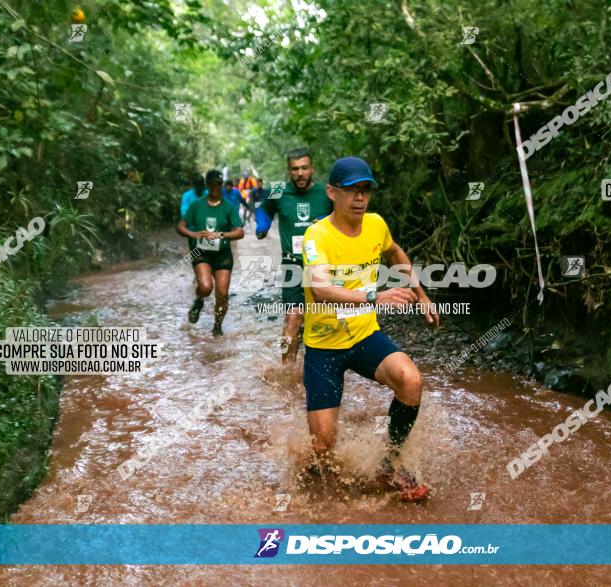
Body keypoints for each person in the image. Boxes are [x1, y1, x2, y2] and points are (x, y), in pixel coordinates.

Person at [301, 156, 440, 501]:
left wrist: (422, 295)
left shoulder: (376, 224)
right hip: (324, 347)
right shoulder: (316, 236)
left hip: (364, 336)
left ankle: (388, 464)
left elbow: (395, 252)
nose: (360, 198)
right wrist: (374, 297)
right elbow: (320, 289)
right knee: (321, 450)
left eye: (365, 191)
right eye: (352, 191)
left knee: (411, 380)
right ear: (332, 192)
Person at [256, 148, 332, 364]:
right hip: (293, 266)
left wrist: (325, 220)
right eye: (295, 169)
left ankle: (319, 366)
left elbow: (343, 217)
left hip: (322, 266)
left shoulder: (326, 193)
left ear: (312, 169)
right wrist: (263, 225)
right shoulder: (278, 191)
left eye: (304, 168)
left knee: (320, 321)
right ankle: (285, 366)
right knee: (292, 319)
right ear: (288, 170)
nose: (300, 173)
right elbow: (263, 209)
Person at [176, 169, 245, 336]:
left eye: (219, 184)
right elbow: (181, 226)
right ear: (207, 185)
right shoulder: (196, 205)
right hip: (201, 252)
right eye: (212, 184)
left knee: (222, 294)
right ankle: (199, 300)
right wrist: (193, 234)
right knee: (206, 287)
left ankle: (217, 328)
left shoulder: (228, 206)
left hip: (222, 253)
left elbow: (240, 232)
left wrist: (223, 234)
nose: (216, 187)